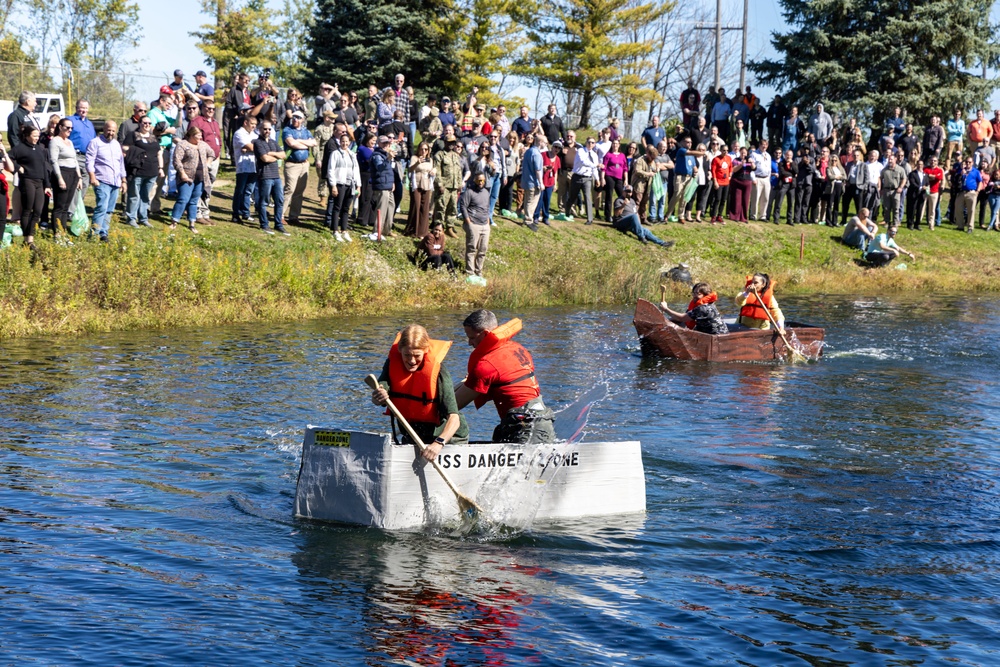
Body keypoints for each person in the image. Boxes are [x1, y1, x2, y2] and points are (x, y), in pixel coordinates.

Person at [453, 310, 555, 444]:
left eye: (471, 337)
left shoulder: (486, 365)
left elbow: (454, 405)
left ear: (485, 334)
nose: (469, 343)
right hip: (543, 422)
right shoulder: (518, 349)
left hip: (525, 430)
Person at [371, 324, 469, 461]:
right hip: (414, 435)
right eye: (407, 355)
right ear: (400, 351)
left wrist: (438, 444)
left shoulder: (440, 373)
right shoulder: (392, 365)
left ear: (426, 351)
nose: (411, 361)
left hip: (447, 438)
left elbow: (454, 418)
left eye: (417, 355)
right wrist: (378, 396)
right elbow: (379, 397)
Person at [10, 125, 53, 249]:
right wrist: (18, 168)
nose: (36, 138)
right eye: (34, 136)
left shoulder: (40, 149)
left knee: (38, 211)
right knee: (27, 210)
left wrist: (47, 185)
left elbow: (44, 167)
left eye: (38, 136)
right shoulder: (20, 148)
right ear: (27, 136)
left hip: (40, 182)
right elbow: (8, 157)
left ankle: (31, 237)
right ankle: (27, 239)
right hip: (27, 181)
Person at [170, 126, 215, 234]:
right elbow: (177, 160)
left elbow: (212, 153)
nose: (200, 137)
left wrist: (208, 163)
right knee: (183, 199)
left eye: (201, 135)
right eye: (198, 135)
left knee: (194, 201)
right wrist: (182, 174)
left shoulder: (203, 145)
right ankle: (174, 221)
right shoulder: (182, 144)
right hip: (186, 177)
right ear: (191, 135)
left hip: (200, 178)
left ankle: (192, 223)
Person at [49, 117, 84, 241]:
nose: (70, 130)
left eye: (71, 128)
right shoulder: (55, 141)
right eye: (67, 127)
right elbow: (53, 160)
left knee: (66, 206)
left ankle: (63, 232)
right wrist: (59, 178)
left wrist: (79, 177)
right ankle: (57, 234)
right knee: (59, 205)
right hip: (62, 173)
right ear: (60, 127)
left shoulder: (70, 142)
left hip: (72, 174)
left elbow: (74, 160)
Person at [189, 99, 222, 225]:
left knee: (209, 187)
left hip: (215, 159)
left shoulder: (214, 122)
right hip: (202, 159)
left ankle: (205, 212)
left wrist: (217, 155)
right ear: (202, 108)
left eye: (213, 109)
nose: (210, 111)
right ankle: (197, 213)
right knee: (200, 186)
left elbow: (218, 140)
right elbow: (193, 140)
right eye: (208, 108)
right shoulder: (197, 122)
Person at [252, 121, 288, 235]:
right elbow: (265, 159)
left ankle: (278, 224)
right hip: (265, 176)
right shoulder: (257, 143)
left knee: (279, 201)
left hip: (276, 176)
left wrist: (271, 153)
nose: (267, 131)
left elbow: (284, 155)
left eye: (269, 129)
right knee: (264, 202)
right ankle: (264, 224)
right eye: (265, 129)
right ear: (260, 129)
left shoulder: (273, 142)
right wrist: (276, 156)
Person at [324, 133, 361, 242]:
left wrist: (358, 186)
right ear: (340, 142)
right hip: (340, 184)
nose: (345, 143)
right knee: (337, 207)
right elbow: (330, 169)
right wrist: (333, 185)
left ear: (350, 142)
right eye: (342, 141)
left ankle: (344, 230)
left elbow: (356, 170)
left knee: (346, 208)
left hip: (350, 184)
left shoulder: (352, 154)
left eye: (346, 141)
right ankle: (335, 230)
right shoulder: (335, 154)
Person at [659, 282, 728, 335]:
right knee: (679, 324)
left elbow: (682, 318)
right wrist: (667, 321)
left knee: (681, 326)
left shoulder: (704, 308)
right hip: (708, 335)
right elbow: (683, 318)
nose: (694, 296)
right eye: (694, 293)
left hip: (716, 337)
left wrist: (666, 309)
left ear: (706, 295)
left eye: (698, 294)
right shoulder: (701, 305)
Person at [459, 172, 491, 279]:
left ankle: (479, 271)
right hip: (473, 224)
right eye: (478, 180)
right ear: (474, 180)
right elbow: (463, 206)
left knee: (483, 249)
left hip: (485, 225)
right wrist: (468, 222)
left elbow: (487, 207)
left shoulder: (486, 192)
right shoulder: (469, 192)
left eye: (482, 180)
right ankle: (470, 272)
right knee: (472, 248)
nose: (480, 182)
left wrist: (488, 221)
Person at [231, 114, 258, 224]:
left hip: (253, 166)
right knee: (240, 191)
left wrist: (250, 148)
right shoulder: (239, 133)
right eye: (252, 124)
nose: (254, 127)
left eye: (255, 124)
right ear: (245, 123)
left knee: (248, 191)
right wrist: (251, 148)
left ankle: (245, 213)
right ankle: (236, 214)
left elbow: (259, 146)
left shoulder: (254, 134)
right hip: (243, 167)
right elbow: (253, 147)